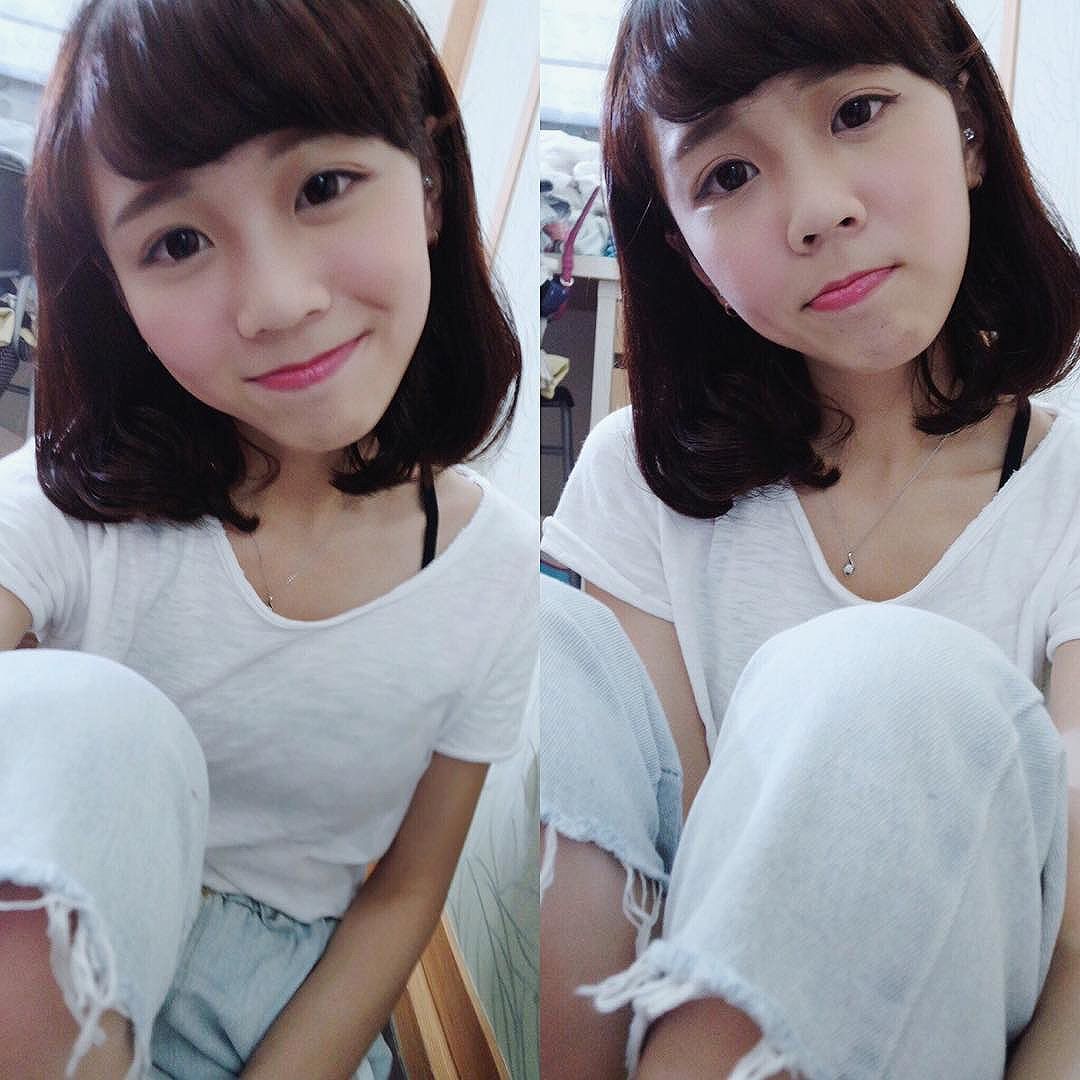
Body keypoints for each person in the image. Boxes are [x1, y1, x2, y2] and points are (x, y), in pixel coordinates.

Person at [540, 0, 1080, 1076]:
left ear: (969, 128)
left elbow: (1078, 956)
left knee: (887, 676)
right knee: (548, 644)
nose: (818, 211)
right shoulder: (634, 483)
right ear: (688, 254)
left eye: (857, 112)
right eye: (729, 175)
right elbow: (690, 885)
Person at [0, 0, 536, 1077]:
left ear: (431, 185)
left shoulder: (494, 573)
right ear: (116, 291)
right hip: (49, 965)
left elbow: (405, 891)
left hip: (285, 1001)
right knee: (92, 721)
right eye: (178, 242)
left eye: (322, 187)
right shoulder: (64, 509)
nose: (278, 302)